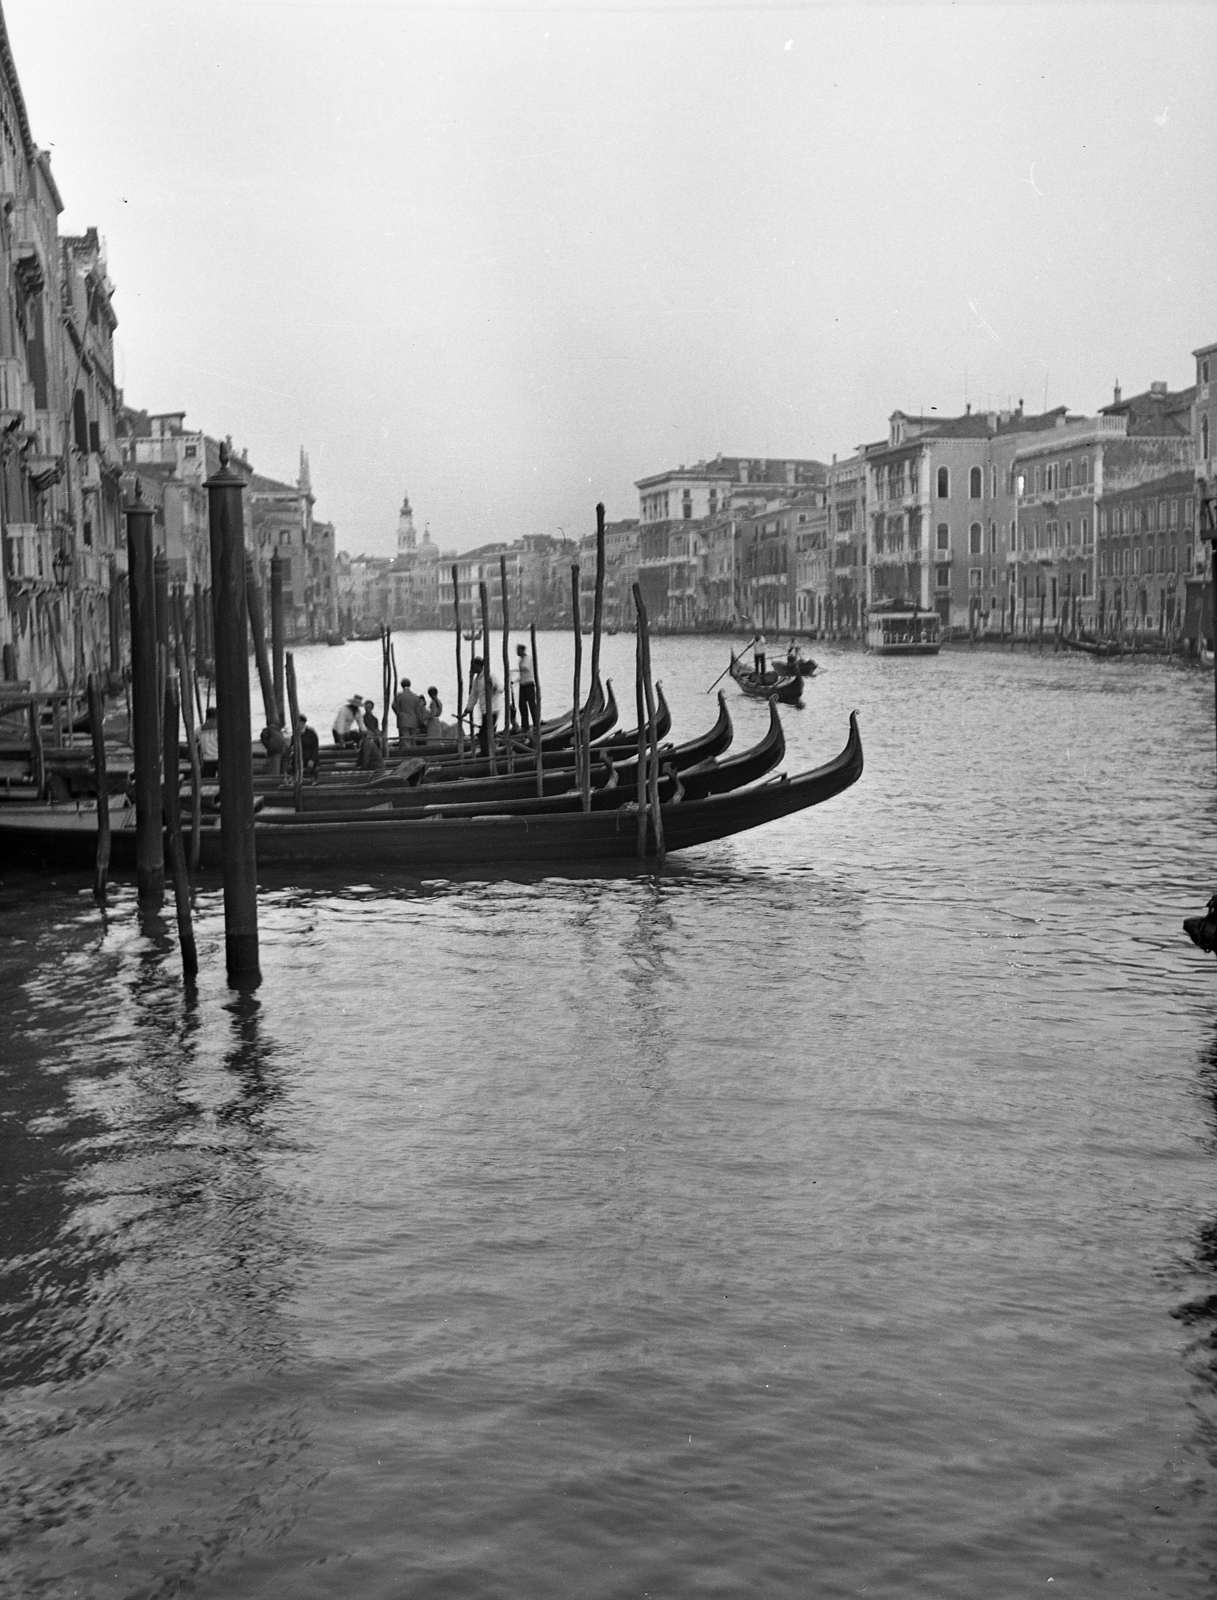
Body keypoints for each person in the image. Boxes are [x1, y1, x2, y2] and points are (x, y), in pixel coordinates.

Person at [464, 656, 501, 757]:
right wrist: (467, 711)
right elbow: (473, 696)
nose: (471, 668)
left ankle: (488, 754)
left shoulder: (489, 675)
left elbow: (501, 688)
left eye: (473, 666)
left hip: (493, 710)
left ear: (478, 665)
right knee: (486, 734)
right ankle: (490, 753)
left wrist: (494, 687)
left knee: (483, 735)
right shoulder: (477, 680)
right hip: (484, 711)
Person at [393, 677, 425, 748]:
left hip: (403, 720)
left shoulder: (399, 695)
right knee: (413, 739)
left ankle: (407, 753)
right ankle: (413, 753)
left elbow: (393, 705)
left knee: (405, 739)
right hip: (413, 720)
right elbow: (418, 710)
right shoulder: (415, 696)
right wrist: (419, 720)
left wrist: (398, 713)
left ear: (401, 685)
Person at [515, 642, 538, 733]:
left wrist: (516, 669)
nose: (517, 652)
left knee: (532, 704)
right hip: (522, 684)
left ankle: (536, 723)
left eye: (518, 650)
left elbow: (526, 668)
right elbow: (521, 673)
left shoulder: (528, 658)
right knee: (522, 705)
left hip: (529, 684)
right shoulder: (520, 660)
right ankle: (525, 726)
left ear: (522, 650)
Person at [199, 707, 219, 776]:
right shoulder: (220, 727)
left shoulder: (200, 728)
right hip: (218, 758)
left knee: (207, 780)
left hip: (206, 759)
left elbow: (195, 739)